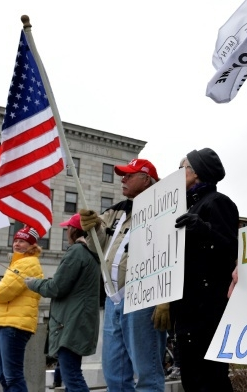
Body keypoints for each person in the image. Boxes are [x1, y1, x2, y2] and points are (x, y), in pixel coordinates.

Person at [153, 149, 238, 392]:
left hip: (207, 308)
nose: (178, 174)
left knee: (211, 378)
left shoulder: (217, 202)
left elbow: (231, 247)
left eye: (183, 168)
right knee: (192, 377)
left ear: (197, 172)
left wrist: (203, 229)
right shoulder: (186, 207)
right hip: (188, 306)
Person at [79, 158, 167, 392]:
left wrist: (165, 298)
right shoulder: (116, 210)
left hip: (143, 296)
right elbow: (97, 247)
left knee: (147, 372)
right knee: (114, 374)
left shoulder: (167, 205)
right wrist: (92, 228)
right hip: (113, 297)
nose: (123, 179)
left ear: (146, 179)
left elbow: (171, 252)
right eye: (122, 175)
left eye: (129, 175)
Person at [24, 213, 101, 392]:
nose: (66, 231)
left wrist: (33, 283)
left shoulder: (76, 251)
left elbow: (56, 287)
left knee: (72, 376)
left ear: (73, 230)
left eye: (68, 227)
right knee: (71, 375)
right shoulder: (90, 253)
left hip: (70, 322)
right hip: (78, 321)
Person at [0, 226, 44, 392]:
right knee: (5, 377)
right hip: (8, 322)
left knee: (12, 376)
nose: (17, 244)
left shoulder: (27, 263)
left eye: (22, 241)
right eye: (15, 240)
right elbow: (6, 291)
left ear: (32, 246)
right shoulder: (19, 263)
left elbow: (3, 294)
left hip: (15, 324)